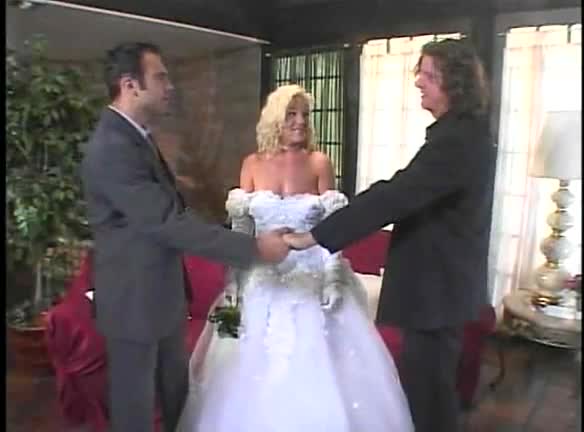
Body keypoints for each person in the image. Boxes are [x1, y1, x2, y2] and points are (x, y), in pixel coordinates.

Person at [284, 39, 496, 432]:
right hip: (443, 290)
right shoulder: (460, 134)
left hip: (437, 292)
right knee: (429, 393)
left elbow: (396, 194)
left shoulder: (457, 141)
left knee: (429, 401)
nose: (418, 82)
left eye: (429, 75)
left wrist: (315, 235)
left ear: (456, 83)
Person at [177, 84, 414, 432]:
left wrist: (332, 279)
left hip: (313, 282)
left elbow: (334, 229)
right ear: (275, 118)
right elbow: (242, 231)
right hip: (261, 281)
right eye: (291, 114)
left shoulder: (319, 163)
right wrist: (234, 284)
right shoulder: (252, 164)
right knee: (235, 367)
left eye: (305, 114)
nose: (300, 121)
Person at [81, 42, 290, 432]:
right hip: (133, 302)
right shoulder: (112, 147)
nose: (170, 86)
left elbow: (171, 214)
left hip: (161, 297)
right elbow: (166, 221)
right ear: (130, 85)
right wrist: (254, 248)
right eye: (160, 77)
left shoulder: (138, 137)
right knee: (135, 412)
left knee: (178, 398)